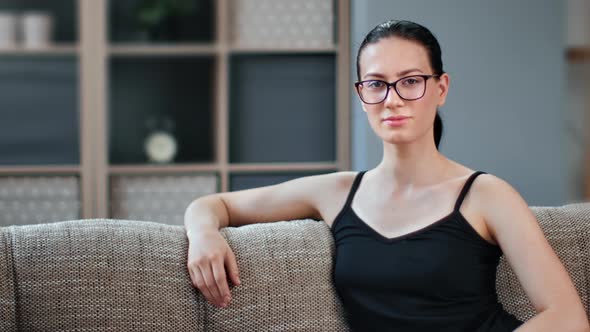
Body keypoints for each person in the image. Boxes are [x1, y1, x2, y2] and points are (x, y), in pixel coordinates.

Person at [184, 20, 589, 331]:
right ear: (362, 95)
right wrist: (204, 234)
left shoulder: (486, 195)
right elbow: (213, 204)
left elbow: (568, 318)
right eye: (377, 84)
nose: (392, 99)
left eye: (410, 81)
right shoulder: (337, 191)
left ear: (441, 88)